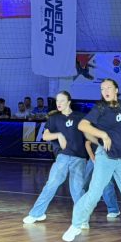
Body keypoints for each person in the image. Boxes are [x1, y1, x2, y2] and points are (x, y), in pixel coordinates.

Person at [61, 78, 121, 242]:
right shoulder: (100, 108)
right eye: (102, 89)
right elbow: (82, 125)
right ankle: (76, 225)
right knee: (93, 194)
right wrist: (103, 135)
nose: (105, 91)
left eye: (108, 87)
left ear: (116, 89)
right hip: (106, 157)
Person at [22, 91, 89, 224]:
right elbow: (45, 136)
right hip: (62, 157)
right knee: (51, 185)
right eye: (57, 101)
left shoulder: (80, 116)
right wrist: (58, 135)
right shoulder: (54, 118)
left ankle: (82, 220)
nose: (58, 103)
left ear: (69, 102)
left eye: (62, 100)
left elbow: (89, 136)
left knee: (77, 189)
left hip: (79, 158)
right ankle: (37, 214)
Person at [84, 138, 121, 219]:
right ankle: (84, 207)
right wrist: (93, 158)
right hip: (93, 158)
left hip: (106, 159)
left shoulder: (109, 131)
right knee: (85, 183)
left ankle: (113, 210)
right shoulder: (93, 129)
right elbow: (87, 144)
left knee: (107, 185)